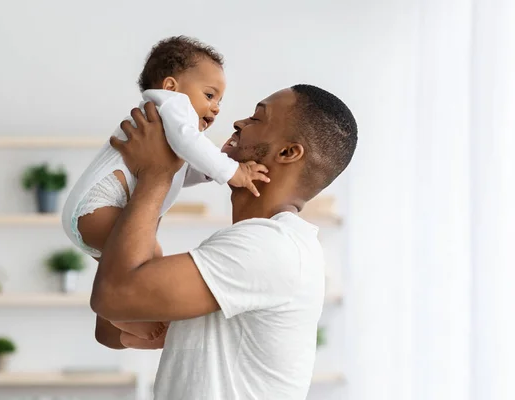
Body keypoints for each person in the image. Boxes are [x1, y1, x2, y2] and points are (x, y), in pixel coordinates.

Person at [90, 84, 358, 400]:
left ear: (287, 152)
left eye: (258, 118)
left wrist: (157, 174)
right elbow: (113, 328)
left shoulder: (271, 247)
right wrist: (161, 178)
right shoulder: (247, 247)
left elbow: (115, 296)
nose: (238, 123)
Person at [61, 36, 268, 340]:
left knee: (118, 272)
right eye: (210, 95)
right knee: (148, 262)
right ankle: (131, 319)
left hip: (92, 215)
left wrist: (210, 171)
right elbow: (188, 143)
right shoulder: (170, 106)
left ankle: (120, 328)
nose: (216, 108)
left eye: (219, 101)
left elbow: (179, 172)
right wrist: (232, 172)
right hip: (98, 207)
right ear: (171, 86)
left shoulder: (170, 127)